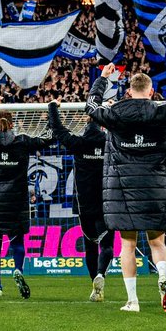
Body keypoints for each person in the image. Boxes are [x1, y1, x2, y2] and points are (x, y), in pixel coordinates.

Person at [87, 63, 166, 313]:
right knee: (158, 244)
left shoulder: (116, 112)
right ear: (150, 92)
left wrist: (103, 79)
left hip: (124, 191)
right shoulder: (163, 112)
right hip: (156, 188)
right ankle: (162, 276)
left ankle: (133, 301)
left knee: (128, 245)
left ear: (129, 91)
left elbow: (91, 108)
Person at [0, 94, 53, 299]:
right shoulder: (22, 142)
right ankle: (18, 271)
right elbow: (49, 137)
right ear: (12, 123)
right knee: (17, 243)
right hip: (16, 201)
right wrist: (52, 112)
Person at [49, 98, 113, 302]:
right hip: (107, 202)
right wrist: (111, 111)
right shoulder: (109, 144)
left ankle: (95, 284)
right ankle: (101, 274)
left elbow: (58, 131)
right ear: (102, 127)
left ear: (85, 126)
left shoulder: (79, 143)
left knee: (90, 246)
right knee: (108, 244)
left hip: (84, 204)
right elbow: (124, 131)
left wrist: (52, 108)